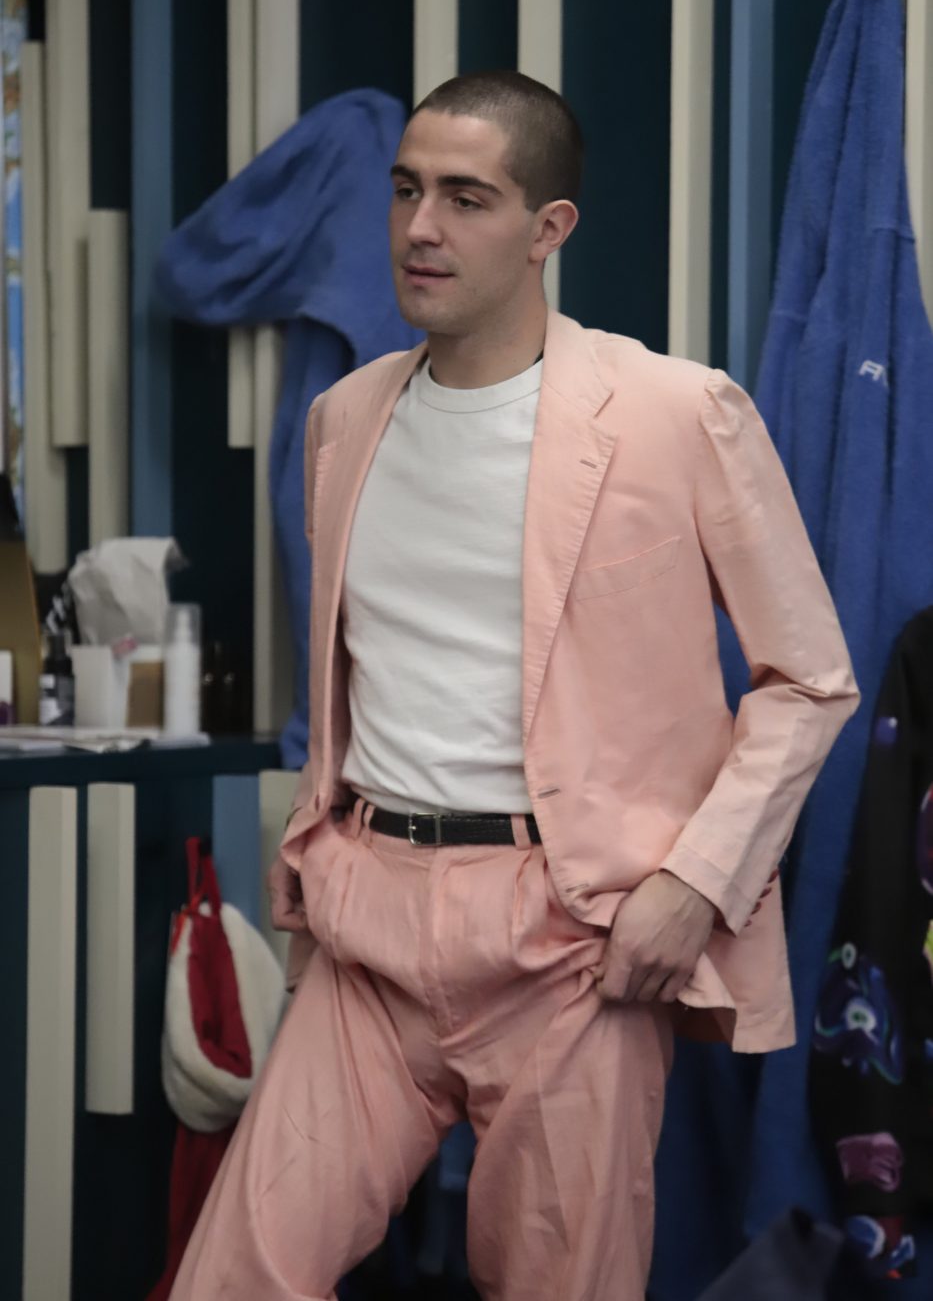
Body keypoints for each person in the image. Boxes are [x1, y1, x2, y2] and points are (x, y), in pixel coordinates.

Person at [169, 71, 859, 1301]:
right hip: (368, 914)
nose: (420, 226)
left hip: (571, 935)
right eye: (406, 190)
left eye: (466, 197)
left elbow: (808, 677)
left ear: (550, 227)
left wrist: (695, 882)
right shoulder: (345, 418)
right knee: (235, 1277)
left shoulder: (677, 411)